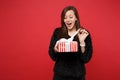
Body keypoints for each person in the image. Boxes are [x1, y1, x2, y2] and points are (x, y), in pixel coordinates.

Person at [48, 6, 93, 80]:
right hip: (60, 76)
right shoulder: (58, 32)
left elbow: (86, 59)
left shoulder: (84, 33)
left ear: (76, 18)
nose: (67, 20)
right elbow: (53, 56)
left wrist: (82, 42)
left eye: (71, 17)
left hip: (78, 76)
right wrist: (55, 49)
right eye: (65, 17)